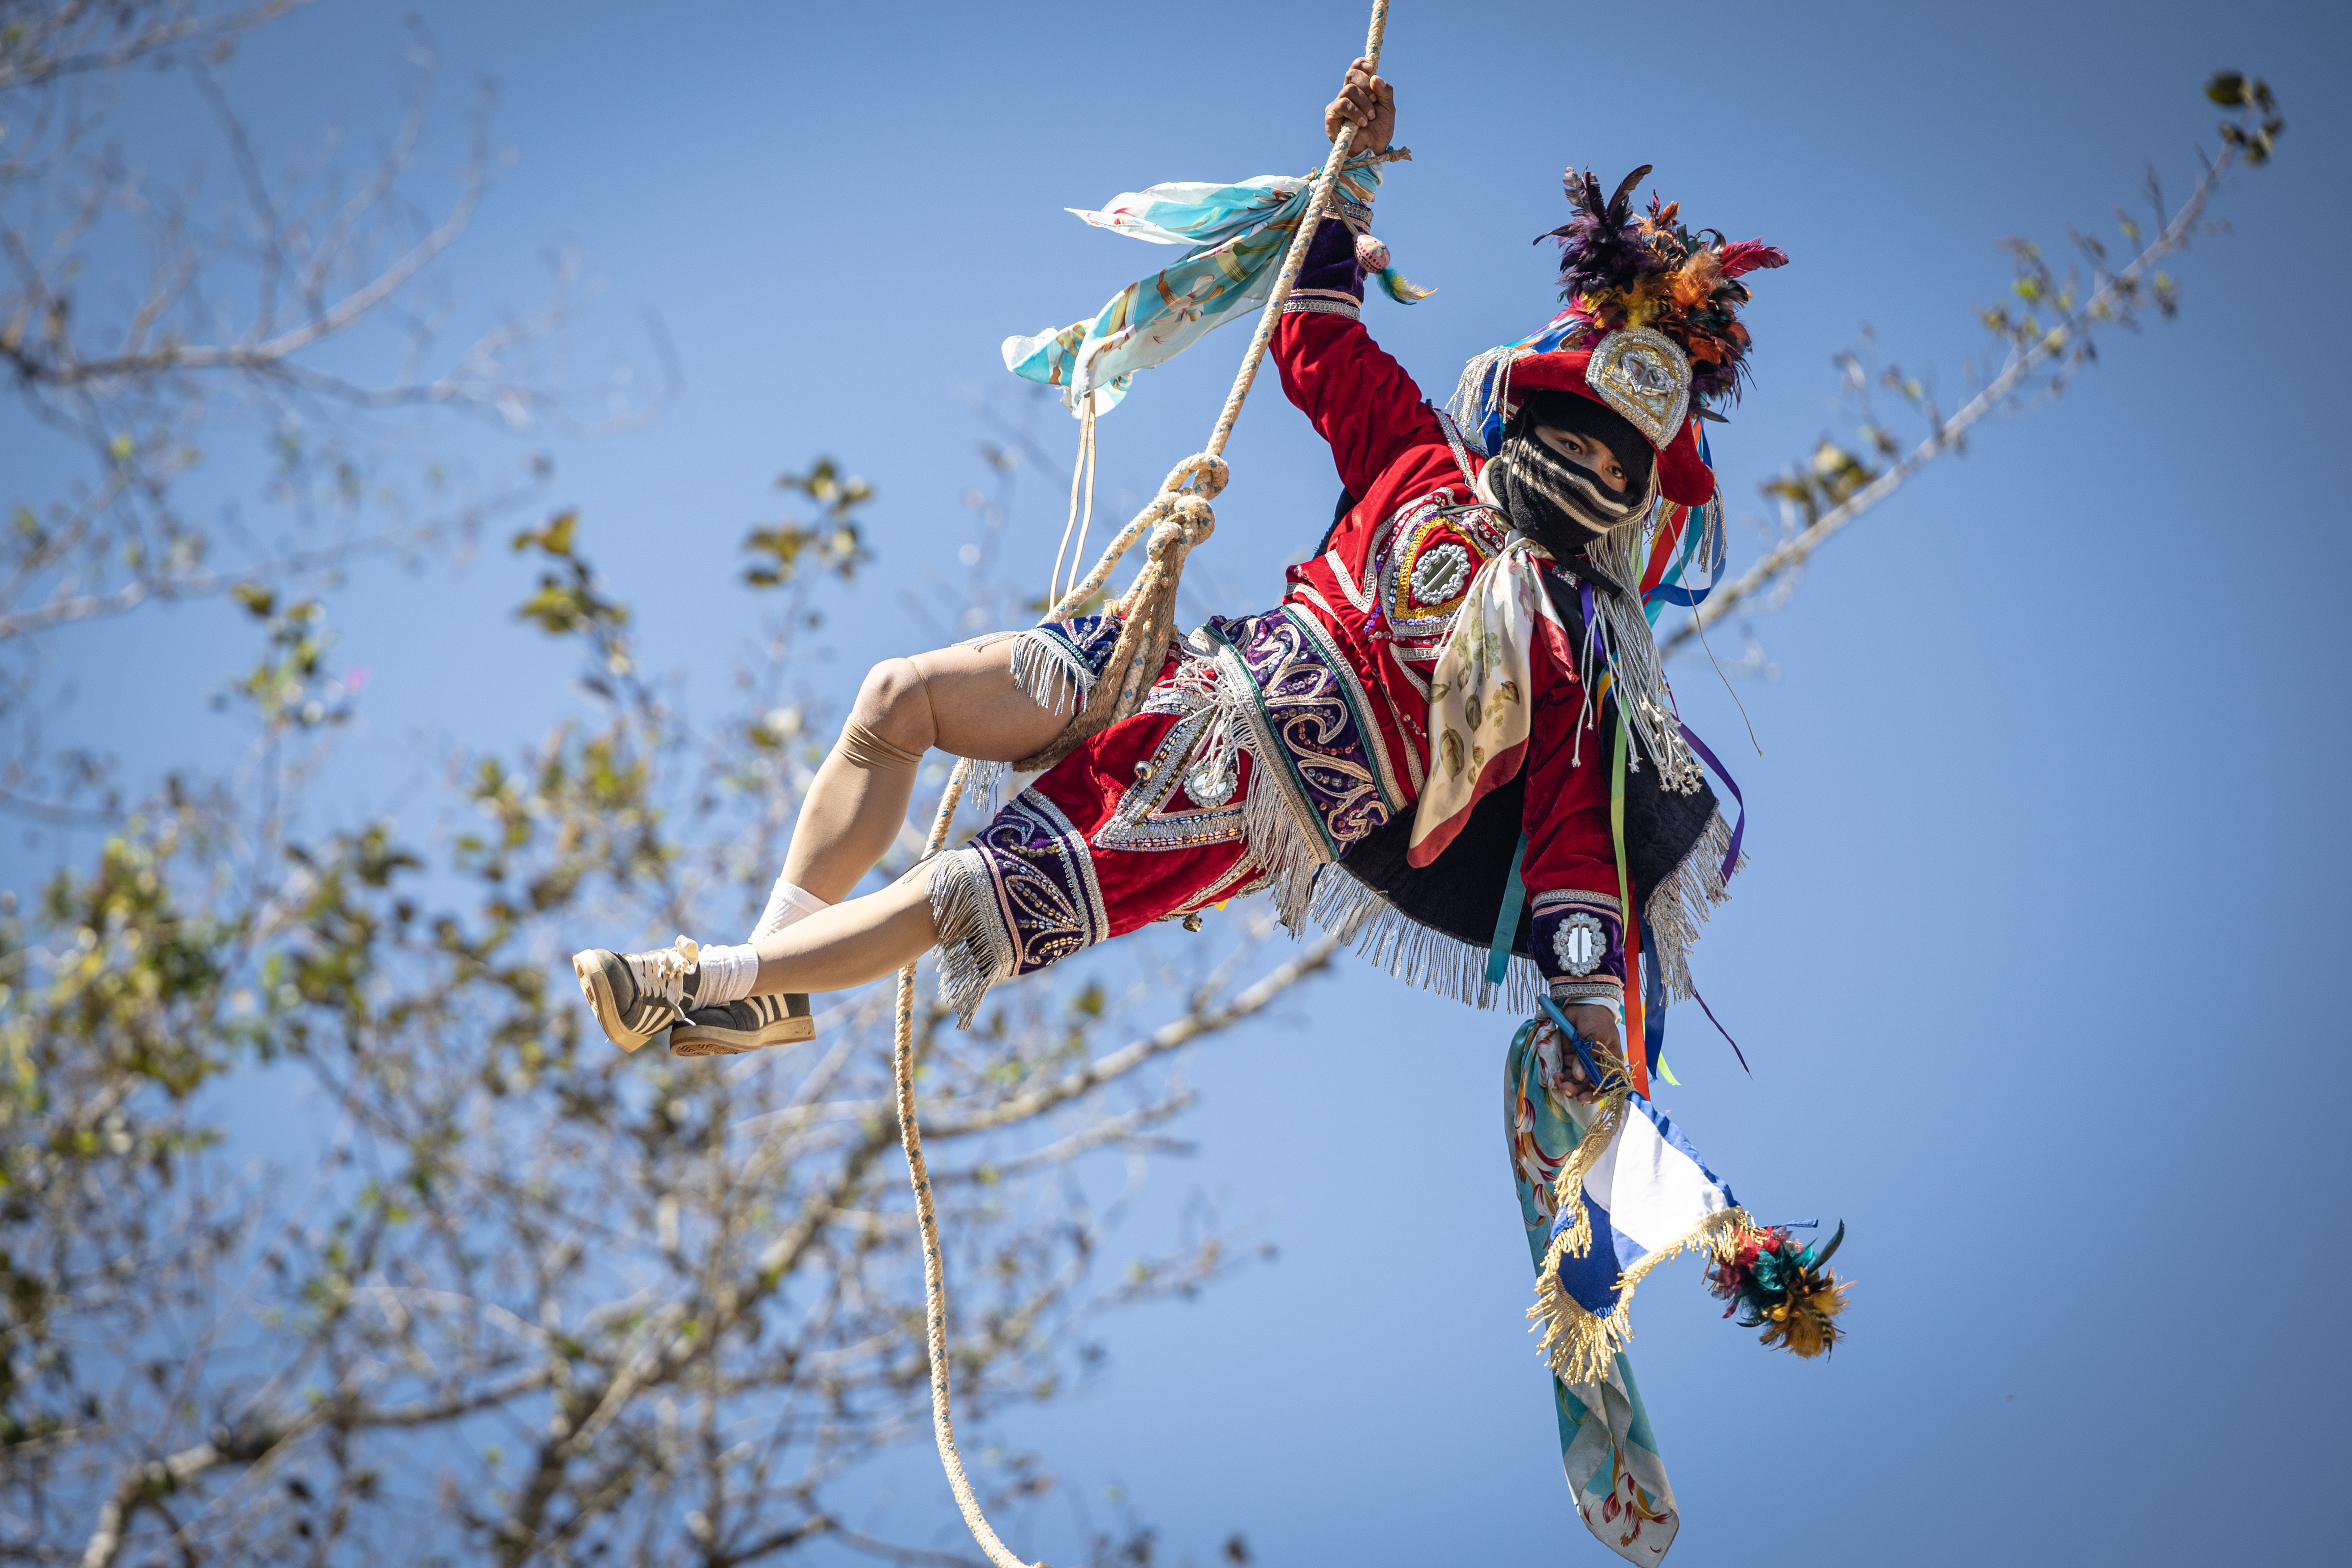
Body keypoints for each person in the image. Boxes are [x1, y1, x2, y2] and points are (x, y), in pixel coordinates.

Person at [573, 60, 1778, 1078]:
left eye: (1619, 466)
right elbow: (1316, 335)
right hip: (1189, 667)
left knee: (974, 885)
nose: (1591, 469)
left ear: (1638, 502)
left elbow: (1575, 845)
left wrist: (1595, 1026)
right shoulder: (1423, 461)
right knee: (899, 698)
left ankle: (716, 979)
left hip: (1261, 793)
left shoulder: (1578, 649)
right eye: (1580, 436)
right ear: (1533, 418)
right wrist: (1354, 170)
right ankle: (772, 982)